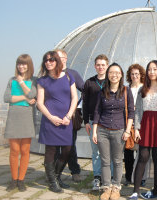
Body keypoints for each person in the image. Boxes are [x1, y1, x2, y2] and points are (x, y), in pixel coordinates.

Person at [129, 60, 157, 200]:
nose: (152, 72)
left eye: (155, 69)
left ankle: (155, 191)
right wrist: (136, 128)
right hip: (146, 125)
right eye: (149, 69)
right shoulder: (142, 89)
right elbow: (137, 112)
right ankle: (136, 191)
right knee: (142, 157)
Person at [92, 63, 134, 200]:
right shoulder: (102, 91)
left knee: (117, 161)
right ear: (108, 75)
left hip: (119, 131)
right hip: (102, 130)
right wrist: (94, 131)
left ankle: (116, 187)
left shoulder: (127, 91)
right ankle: (106, 187)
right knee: (105, 160)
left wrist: (127, 131)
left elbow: (131, 112)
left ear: (121, 75)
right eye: (111, 72)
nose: (114, 75)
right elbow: (97, 112)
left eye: (117, 72)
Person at [37, 51, 78, 193]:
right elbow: (40, 103)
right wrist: (51, 117)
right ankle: (52, 182)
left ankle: (56, 176)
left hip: (66, 120)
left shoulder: (68, 76)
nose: (48, 62)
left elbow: (74, 98)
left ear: (57, 61)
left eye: (51, 60)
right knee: (51, 150)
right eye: (46, 60)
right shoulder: (42, 80)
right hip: (50, 121)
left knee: (67, 149)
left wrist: (68, 116)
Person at [3, 54, 37, 192]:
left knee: (24, 150)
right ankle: (14, 179)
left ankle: (21, 180)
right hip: (13, 117)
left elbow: (32, 95)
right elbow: (6, 97)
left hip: (27, 118)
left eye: (24, 64)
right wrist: (23, 96)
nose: (21, 66)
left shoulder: (34, 80)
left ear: (29, 65)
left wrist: (22, 82)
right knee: (14, 150)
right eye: (19, 64)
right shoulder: (11, 80)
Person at [56, 49, 85, 183]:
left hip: (70, 116)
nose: (58, 59)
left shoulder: (72, 73)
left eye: (61, 57)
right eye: (55, 57)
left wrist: (76, 105)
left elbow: (85, 89)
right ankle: (54, 173)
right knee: (54, 146)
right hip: (54, 116)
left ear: (66, 58)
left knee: (70, 145)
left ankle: (75, 171)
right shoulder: (51, 74)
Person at [83, 54, 110, 190]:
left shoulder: (111, 81)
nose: (100, 67)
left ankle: (108, 178)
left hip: (108, 122)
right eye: (98, 65)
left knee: (108, 151)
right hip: (93, 122)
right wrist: (86, 121)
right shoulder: (89, 82)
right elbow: (85, 103)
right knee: (96, 152)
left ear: (107, 66)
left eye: (103, 65)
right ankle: (97, 178)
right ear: (95, 66)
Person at [124, 64, 148, 186]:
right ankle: (128, 176)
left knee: (142, 152)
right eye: (132, 74)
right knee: (128, 151)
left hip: (142, 122)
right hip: (128, 123)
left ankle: (141, 177)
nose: (135, 76)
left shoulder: (145, 88)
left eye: (137, 74)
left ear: (141, 75)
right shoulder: (125, 89)